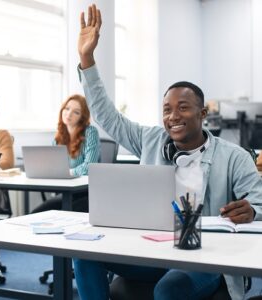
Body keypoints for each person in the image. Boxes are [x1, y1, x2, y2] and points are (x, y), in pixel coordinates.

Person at [73, 4, 262, 300]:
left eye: (183, 108)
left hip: (204, 255)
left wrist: (252, 211)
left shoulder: (234, 156)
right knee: (83, 256)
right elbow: (107, 116)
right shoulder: (150, 139)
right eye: (166, 109)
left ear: (203, 114)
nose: (173, 116)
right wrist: (87, 58)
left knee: (169, 289)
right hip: (151, 247)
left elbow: (260, 205)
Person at [31, 94, 100, 213]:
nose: (69, 114)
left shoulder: (90, 132)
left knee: (63, 214)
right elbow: (54, 167)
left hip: (86, 193)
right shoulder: (59, 136)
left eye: (76, 112)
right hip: (66, 192)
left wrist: (68, 173)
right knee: (35, 214)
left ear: (82, 117)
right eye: (67, 109)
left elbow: (90, 167)